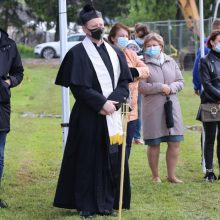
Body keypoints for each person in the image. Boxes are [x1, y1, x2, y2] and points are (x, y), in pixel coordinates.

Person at [53, 5, 132, 218]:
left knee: (111, 158)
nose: (99, 29)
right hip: (88, 115)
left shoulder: (115, 52)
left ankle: (108, 202)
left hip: (112, 113)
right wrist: (100, 103)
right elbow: (77, 87)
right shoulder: (76, 53)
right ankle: (86, 205)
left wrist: (114, 102)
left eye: (101, 25)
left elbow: (124, 82)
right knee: (87, 159)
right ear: (85, 29)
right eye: (94, 26)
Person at [139, 32, 184, 183]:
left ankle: (171, 175)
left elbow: (180, 81)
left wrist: (171, 88)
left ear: (161, 47)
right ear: (144, 48)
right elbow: (141, 86)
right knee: (154, 143)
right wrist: (159, 87)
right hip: (153, 108)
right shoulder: (142, 63)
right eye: (149, 46)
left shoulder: (171, 61)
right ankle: (155, 175)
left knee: (174, 141)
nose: (152, 48)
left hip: (172, 106)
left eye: (155, 45)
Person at [108, 23, 149, 159]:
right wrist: (129, 76)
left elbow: (146, 71)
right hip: (113, 108)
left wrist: (132, 72)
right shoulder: (107, 53)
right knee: (113, 145)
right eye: (121, 36)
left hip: (131, 110)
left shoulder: (131, 54)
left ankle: (123, 176)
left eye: (126, 36)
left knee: (127, 145)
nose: (124, 38)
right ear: (113, 38)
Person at [0, 28, 24, 207]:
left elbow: (18, 72)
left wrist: (8, 83)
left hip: (1, 104)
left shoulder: (9, 45)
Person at [198, 30, 220, 182]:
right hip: (211, 103)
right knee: (210, 138)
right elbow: (206, 84)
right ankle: (210, 171)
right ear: (212, 42)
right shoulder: (205, 60)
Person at [132, 23, 150, 145]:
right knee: (129, 108)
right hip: (130, 82)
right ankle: (131, 135)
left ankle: (137, 136)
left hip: (139, 81)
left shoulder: (147, 45)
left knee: (137, 108)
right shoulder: (130, 44)